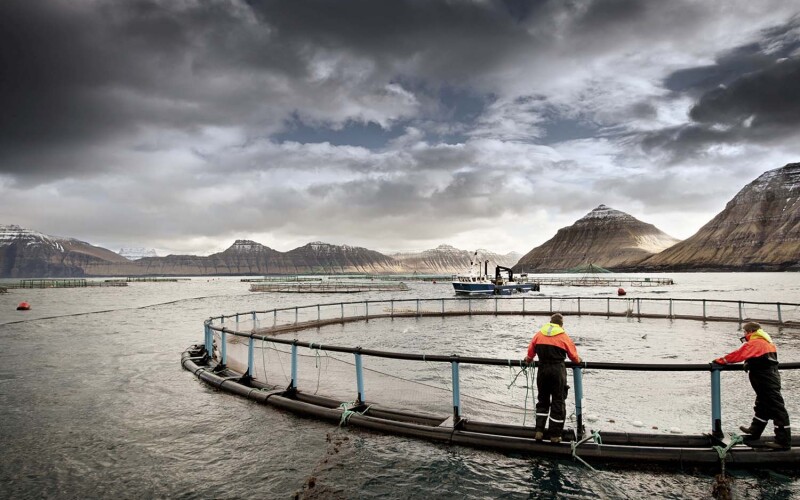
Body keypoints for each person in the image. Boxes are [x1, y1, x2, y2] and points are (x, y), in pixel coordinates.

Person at [713, 322, 791, 450]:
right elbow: (760, 358)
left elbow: (738, 354)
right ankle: (754, 432)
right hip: (768, 378)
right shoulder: (766, 341)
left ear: (749, 332)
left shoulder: (755, 343)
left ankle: (783, 441)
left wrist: (721, 361)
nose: (743, 335)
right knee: (762, 405)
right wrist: (748, 363)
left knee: (777, 409)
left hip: (765, 379)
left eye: (744, 332)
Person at [523, 313, 581, 443]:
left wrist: (528, 360)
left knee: (542, 400)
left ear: (550, 322)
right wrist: (579, 360)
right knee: (557, 401)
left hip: (542, 370)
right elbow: (574, 356)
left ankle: (539, 431)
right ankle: (555, 435)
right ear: (561, 325)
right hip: (557, 371)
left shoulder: (539, 334)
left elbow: (530, 353)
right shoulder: (563, 336)